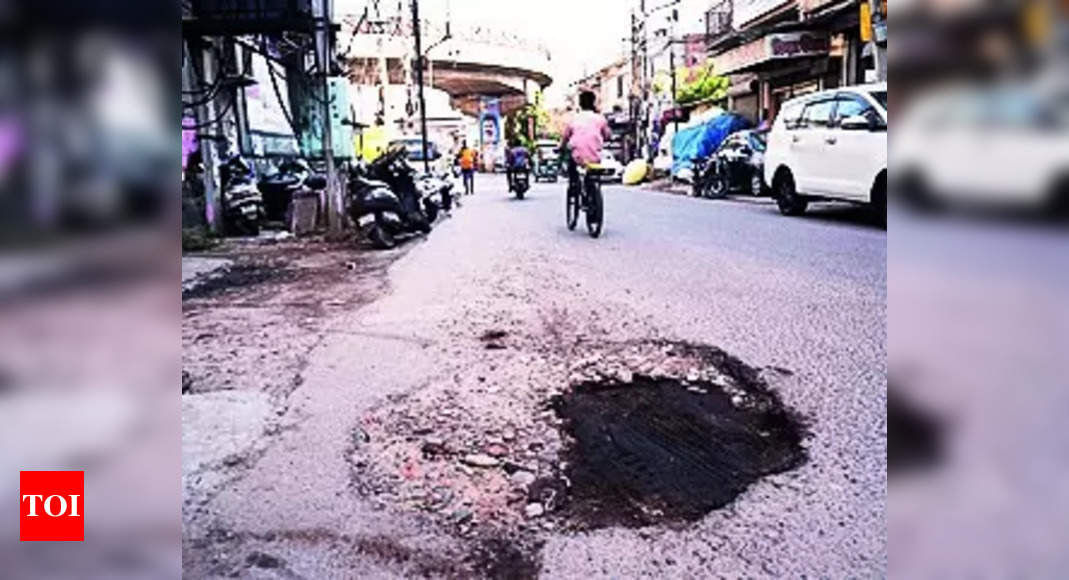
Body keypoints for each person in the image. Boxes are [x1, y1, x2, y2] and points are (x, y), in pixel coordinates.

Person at [560, 90, 611, 189]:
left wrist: (561, 147)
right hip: (594, 157)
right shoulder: (600, 119)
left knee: (572, 173)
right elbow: (607, 135)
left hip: (577, 157)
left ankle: (573, 187)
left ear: (580, 104)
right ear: (594, 102)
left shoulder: (573, 119)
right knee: (595, 176)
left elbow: (565, 137)